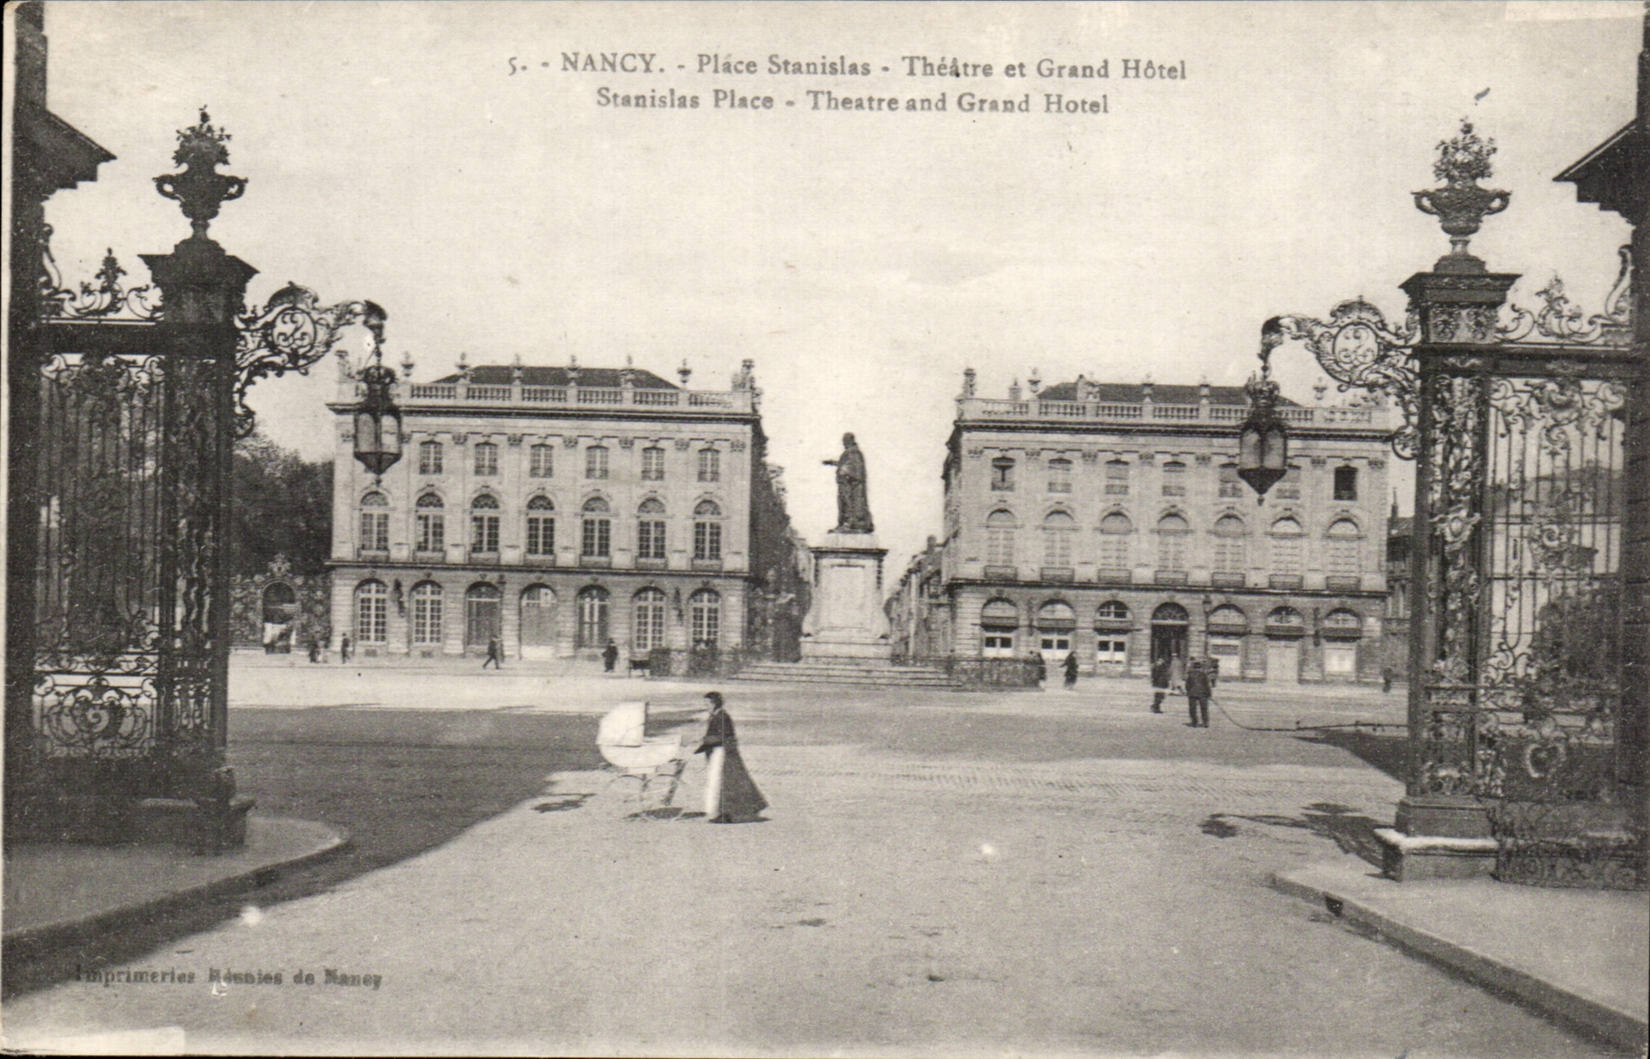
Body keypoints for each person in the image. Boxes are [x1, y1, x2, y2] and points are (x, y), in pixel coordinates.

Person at [695, 691, 768, 823]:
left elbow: (723, 736)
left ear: (714, 703)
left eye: (707, 703)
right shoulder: (718, 716)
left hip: (724, 753)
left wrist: (705, 740)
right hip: (721, 752)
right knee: (724, 782)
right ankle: (724, 812)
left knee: (724, 782)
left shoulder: (722, 716)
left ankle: (725, 813)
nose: (705, 706)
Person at [1186, 658, 1213, 728]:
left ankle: (1194, 722)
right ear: (1200, 667)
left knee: (1192, 708)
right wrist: (1209, 694)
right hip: (1202, 693)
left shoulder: (1190, 674)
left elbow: (1187, 685)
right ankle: (1205, 722)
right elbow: (1207, 685)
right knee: (1204, 708)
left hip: (1192, 693)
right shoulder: (1203, 675)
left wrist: (1188, 691)